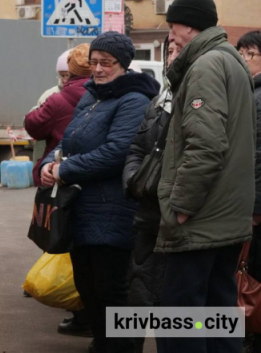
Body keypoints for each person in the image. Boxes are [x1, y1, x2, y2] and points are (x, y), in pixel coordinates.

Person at [41, 31, 160, 353]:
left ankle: (119, 348)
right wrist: (49, 163)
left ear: (123, 65)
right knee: (88, 287)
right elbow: (69, 139)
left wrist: (65, 169)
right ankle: (102, 344)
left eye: (106, 63)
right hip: (82, 209)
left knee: (112, 290)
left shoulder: (134, 100)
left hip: (114, 210)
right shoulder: (91, 95)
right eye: (94, 63)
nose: (98, 69)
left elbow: (117, 152)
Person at [156, 0, 255, 353]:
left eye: (172, 25)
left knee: (182, 317)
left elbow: (206, 145)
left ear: (187, 25)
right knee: (217, 312)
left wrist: (180, 207)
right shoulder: (231, 59)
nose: (170, 34)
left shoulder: (206, 65)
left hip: (201, 216)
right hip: (226, 215)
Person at [24, 44, 92, 337]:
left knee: (66, 243)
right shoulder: (114, 96)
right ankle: (88, 318)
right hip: (97, 185)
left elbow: (33, 125)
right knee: (92, 257)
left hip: (62, 182)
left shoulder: (60, 98)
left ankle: (82, 315)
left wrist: (51, 167)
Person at [122, 38, 181, 353]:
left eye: (179, 51)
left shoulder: (200, 99)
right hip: (147, 215)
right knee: (139, 288)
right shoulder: (160, 101)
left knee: (174, 303)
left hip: (180, 218)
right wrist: (133, 178)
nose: (172, 57)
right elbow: (136, 148)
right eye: (169, 51)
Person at [25, 44, 90, 187]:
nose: (64, 79)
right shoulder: (112, 95)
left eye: (67, 74)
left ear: (72, 71)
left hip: (58, 174)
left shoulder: (56, 99)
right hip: (98, 177)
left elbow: (33, 125)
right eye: (61, 75)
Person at [236, 30, 261, 353]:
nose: (242, 60)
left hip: (255, 204)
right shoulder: (251, 91)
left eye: (249, 54)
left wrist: (255, 206)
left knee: (253, 271)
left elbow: (256, 155)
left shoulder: (257, 96)